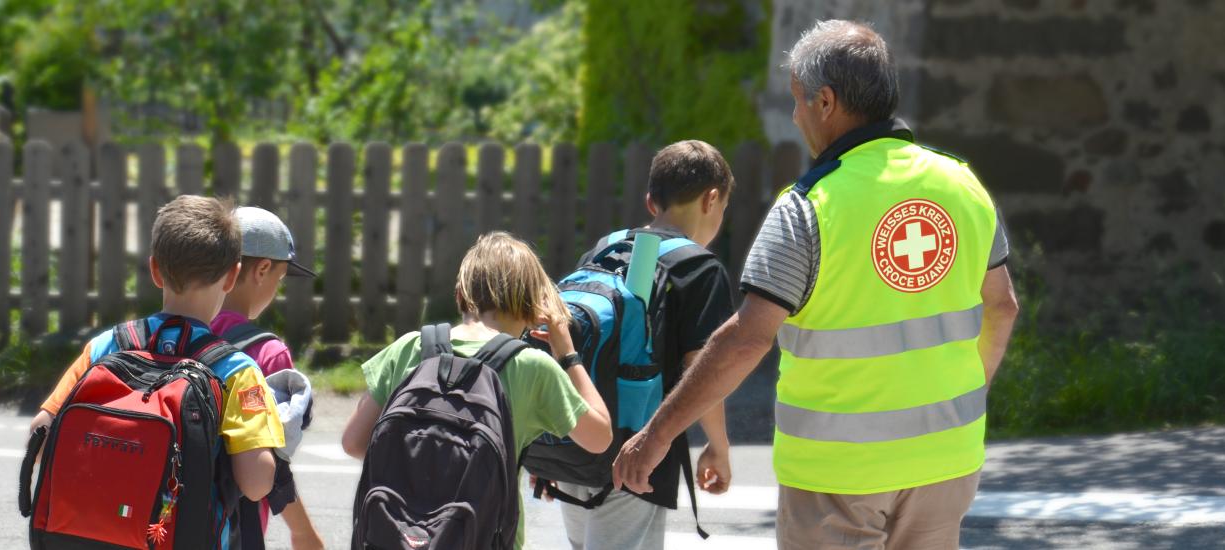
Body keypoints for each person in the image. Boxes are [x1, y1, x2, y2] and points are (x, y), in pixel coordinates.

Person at [611, 20, 1019, 550]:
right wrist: (960, 401)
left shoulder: (807, 207)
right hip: (947, 460)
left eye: (798, 100)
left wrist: (656, 436)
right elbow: (1002, 307)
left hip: (837, 473)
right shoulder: (961, 183)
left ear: (826, 102)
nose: (796, 114)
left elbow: (747, 340)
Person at [29, 195, 287, 548]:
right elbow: (256, 483)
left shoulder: (106, 347)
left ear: (154, 269)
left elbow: (41, 432)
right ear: (231, 277)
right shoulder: (236, 371)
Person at [341, 232, 614, 549]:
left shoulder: (410, 346)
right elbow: (600, 437)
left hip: (396, 537)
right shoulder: (532, 367)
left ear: (460, 294)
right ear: (534, 306)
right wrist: (567, 355)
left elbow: (353, 442)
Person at [551, 140, 738, 550]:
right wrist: (718, 446)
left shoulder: (605, 248)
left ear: (651, 201)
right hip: (635, 452)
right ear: (711, 199)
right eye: (723, 208)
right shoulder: (699, 268)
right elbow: (703, 367)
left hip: (577, 441)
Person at [211, 206, 324, 550]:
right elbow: (275, 461)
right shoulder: (267, 353)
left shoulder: (179, 331)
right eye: (280, 278)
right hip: (231, 530)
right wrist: (302, 532)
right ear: (262, 270)